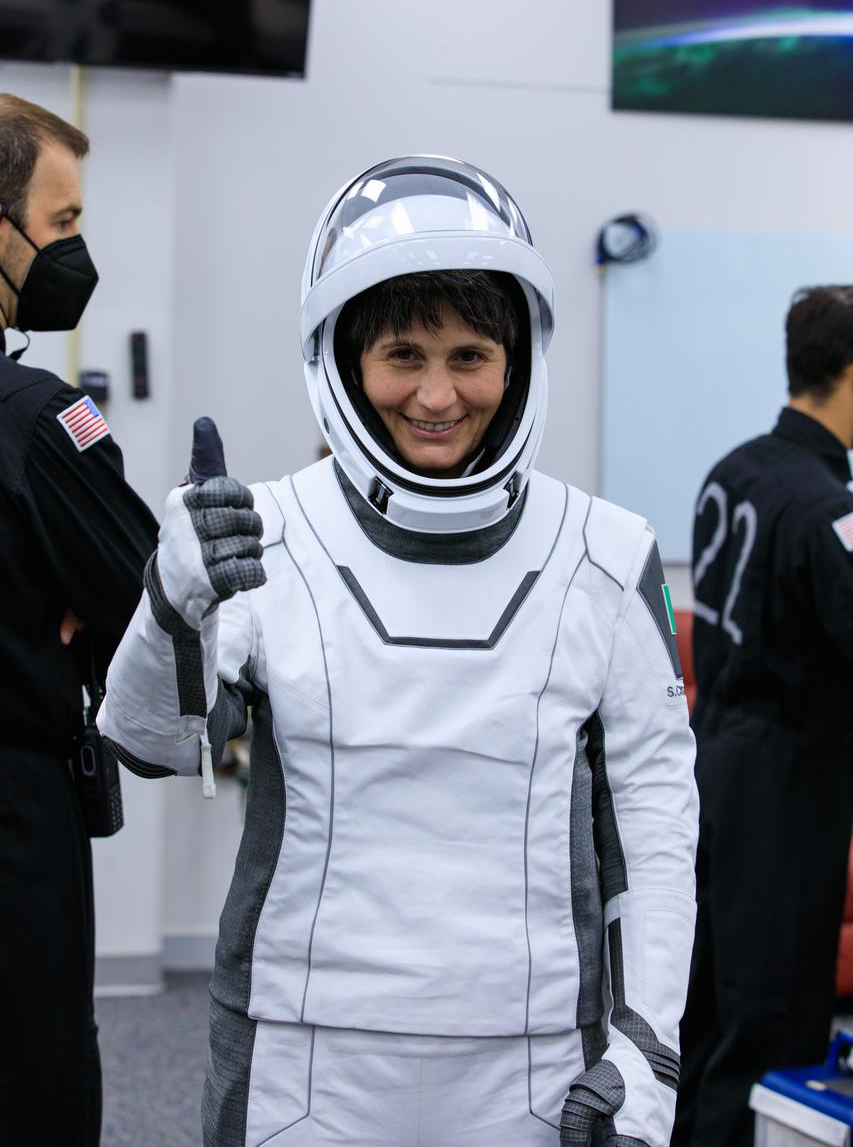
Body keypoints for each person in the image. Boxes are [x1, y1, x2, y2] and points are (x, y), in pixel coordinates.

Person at [99, 155, 698, 1146]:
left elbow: (655, 815)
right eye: (402, 354)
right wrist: (174, 599)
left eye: (469, 354)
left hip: (535, 1049)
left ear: (518, 363)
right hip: (301, 1047)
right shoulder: (258, 533)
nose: (435, 393)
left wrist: (647, 1036)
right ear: (342, 359)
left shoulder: (607, 552)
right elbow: (148, 742)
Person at [0, 93, 159, 1147]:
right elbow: (150, 598)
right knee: (34, 1074)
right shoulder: (44, 423)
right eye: (60, 224)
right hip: (15, 822)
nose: (76, 250)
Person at [673, 286, 853, 1147]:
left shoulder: (733, 470)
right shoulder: (829, 508)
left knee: (703, 1014)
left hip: (711, 770)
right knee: (770, 1027)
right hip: (788, 793)